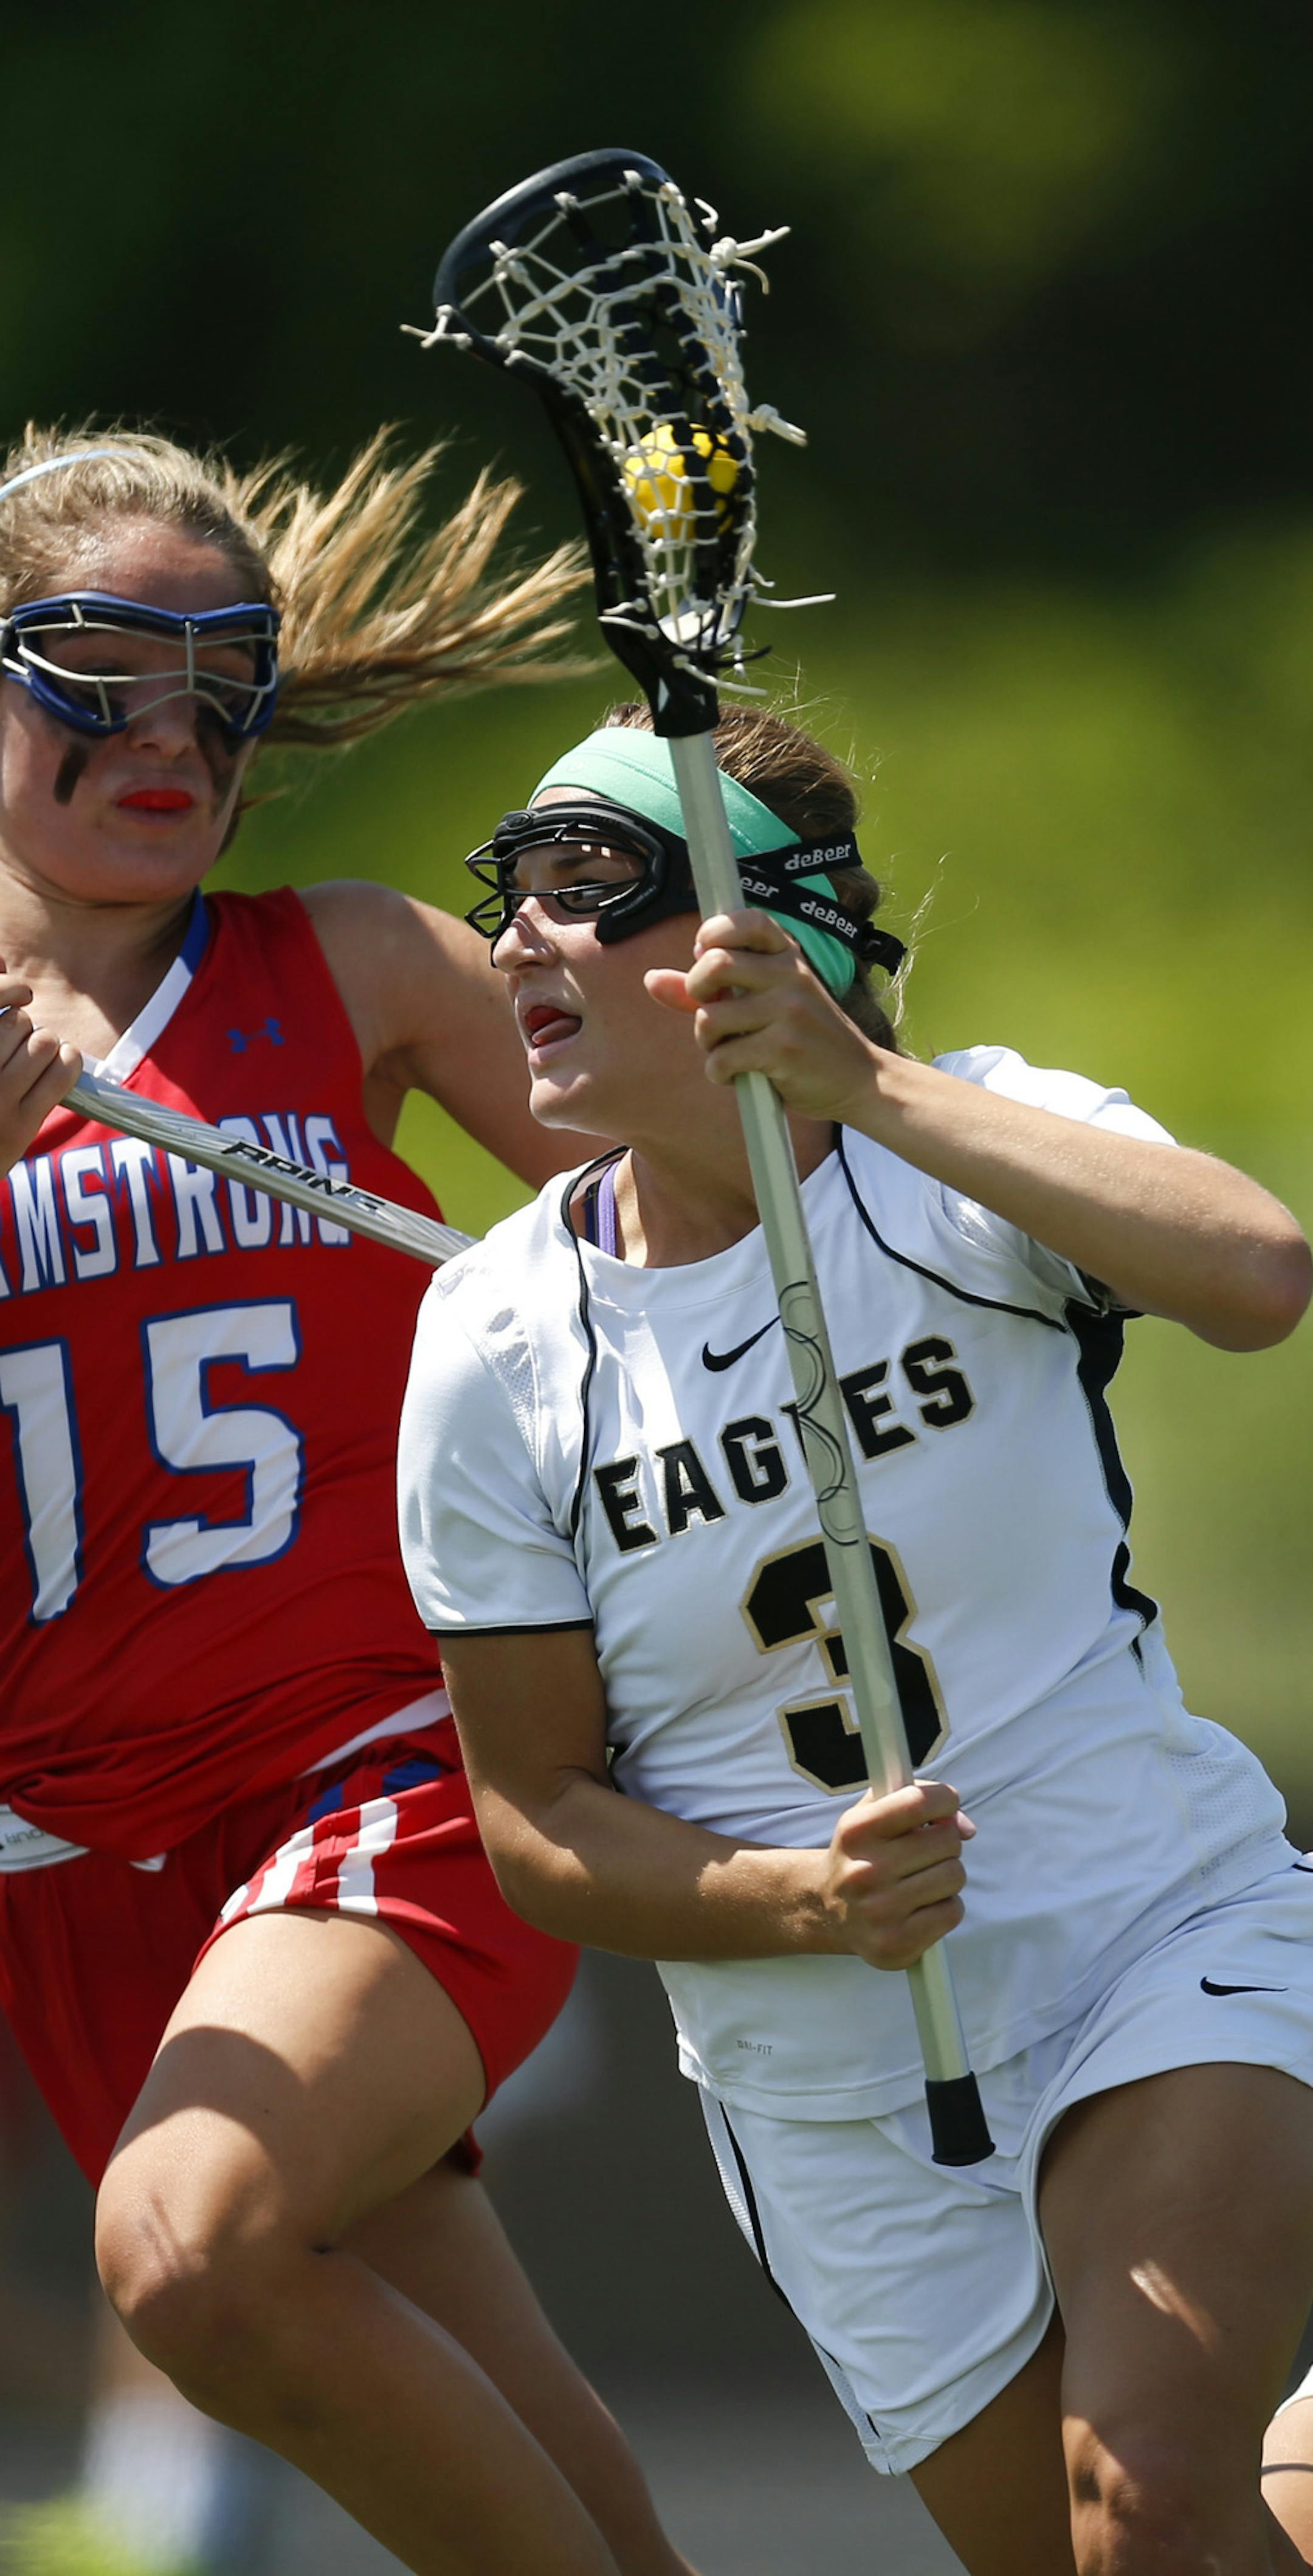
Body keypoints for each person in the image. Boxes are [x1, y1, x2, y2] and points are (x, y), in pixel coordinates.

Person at [399, 698, 1313, 2576]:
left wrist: (862, 1084)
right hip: (827, 2079)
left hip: (1150, 1924)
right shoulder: (494, 1346)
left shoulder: (966, 1144)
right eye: (512, 893)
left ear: (763, 932)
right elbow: (536, 1818)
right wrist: (799, 1900)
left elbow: (1256, 1274)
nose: (517, 943)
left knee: (1139, 2499)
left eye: (592, 888)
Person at [0, 430, 698, 2576]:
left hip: (373, 1774)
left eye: (223, 679)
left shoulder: (358, 969)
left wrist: (756, 1033)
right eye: (97, 670)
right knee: (535, 2479)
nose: (172, 731)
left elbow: (718, 1228)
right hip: (68, 1853)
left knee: (192, 2257)